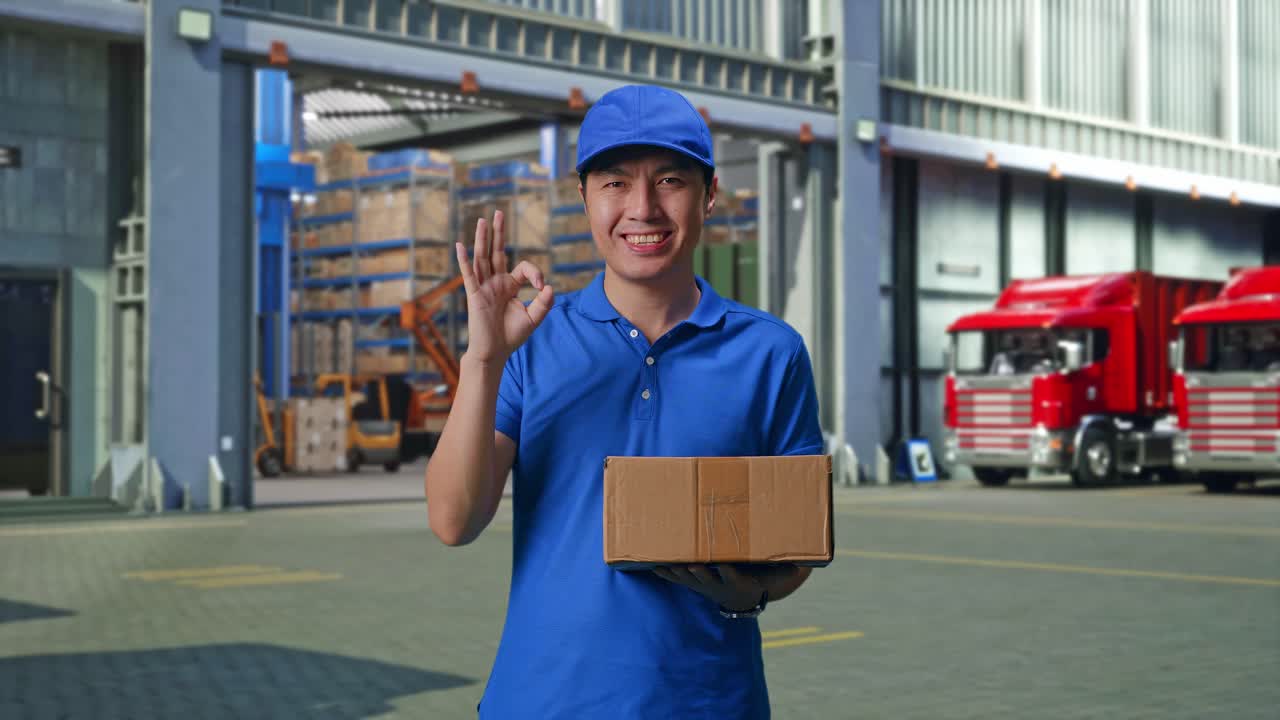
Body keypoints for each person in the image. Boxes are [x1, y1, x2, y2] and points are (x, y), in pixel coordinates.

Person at [425, 84, 825, 719]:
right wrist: (483, 361)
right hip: (543, 701)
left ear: (709, 195)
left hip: (708, 704)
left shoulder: (770, 354)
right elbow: (454, 520)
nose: (643, 208)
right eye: (615, 183)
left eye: (670, 180)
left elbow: (798, 543)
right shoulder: (533, 341)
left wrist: (752, 592)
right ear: (584, 197)